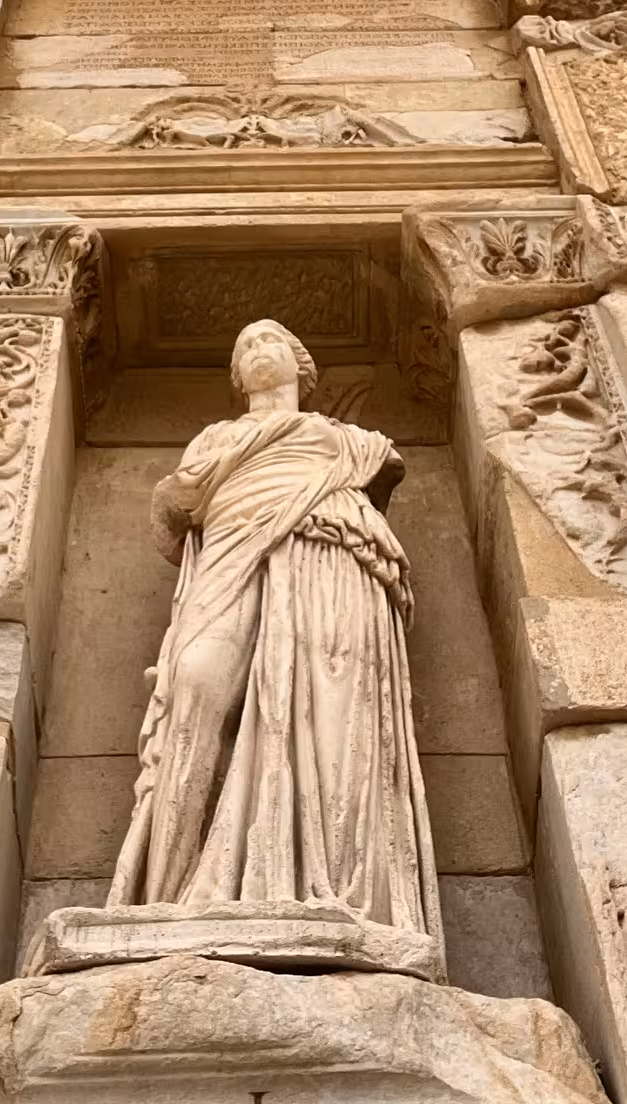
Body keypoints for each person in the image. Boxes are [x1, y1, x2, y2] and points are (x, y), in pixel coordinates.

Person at [108, 317, 441, 948]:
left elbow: (383, 471)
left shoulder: (352, 442)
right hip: (229, 562)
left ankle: (334, 890)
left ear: (300, 366)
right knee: (195, 686)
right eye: (247, 348)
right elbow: (174, 515)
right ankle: (165, 895)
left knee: (330, 714)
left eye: (272, 342)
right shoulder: (213, 441)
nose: (260, 352)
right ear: (237, 377)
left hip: (330, 558)